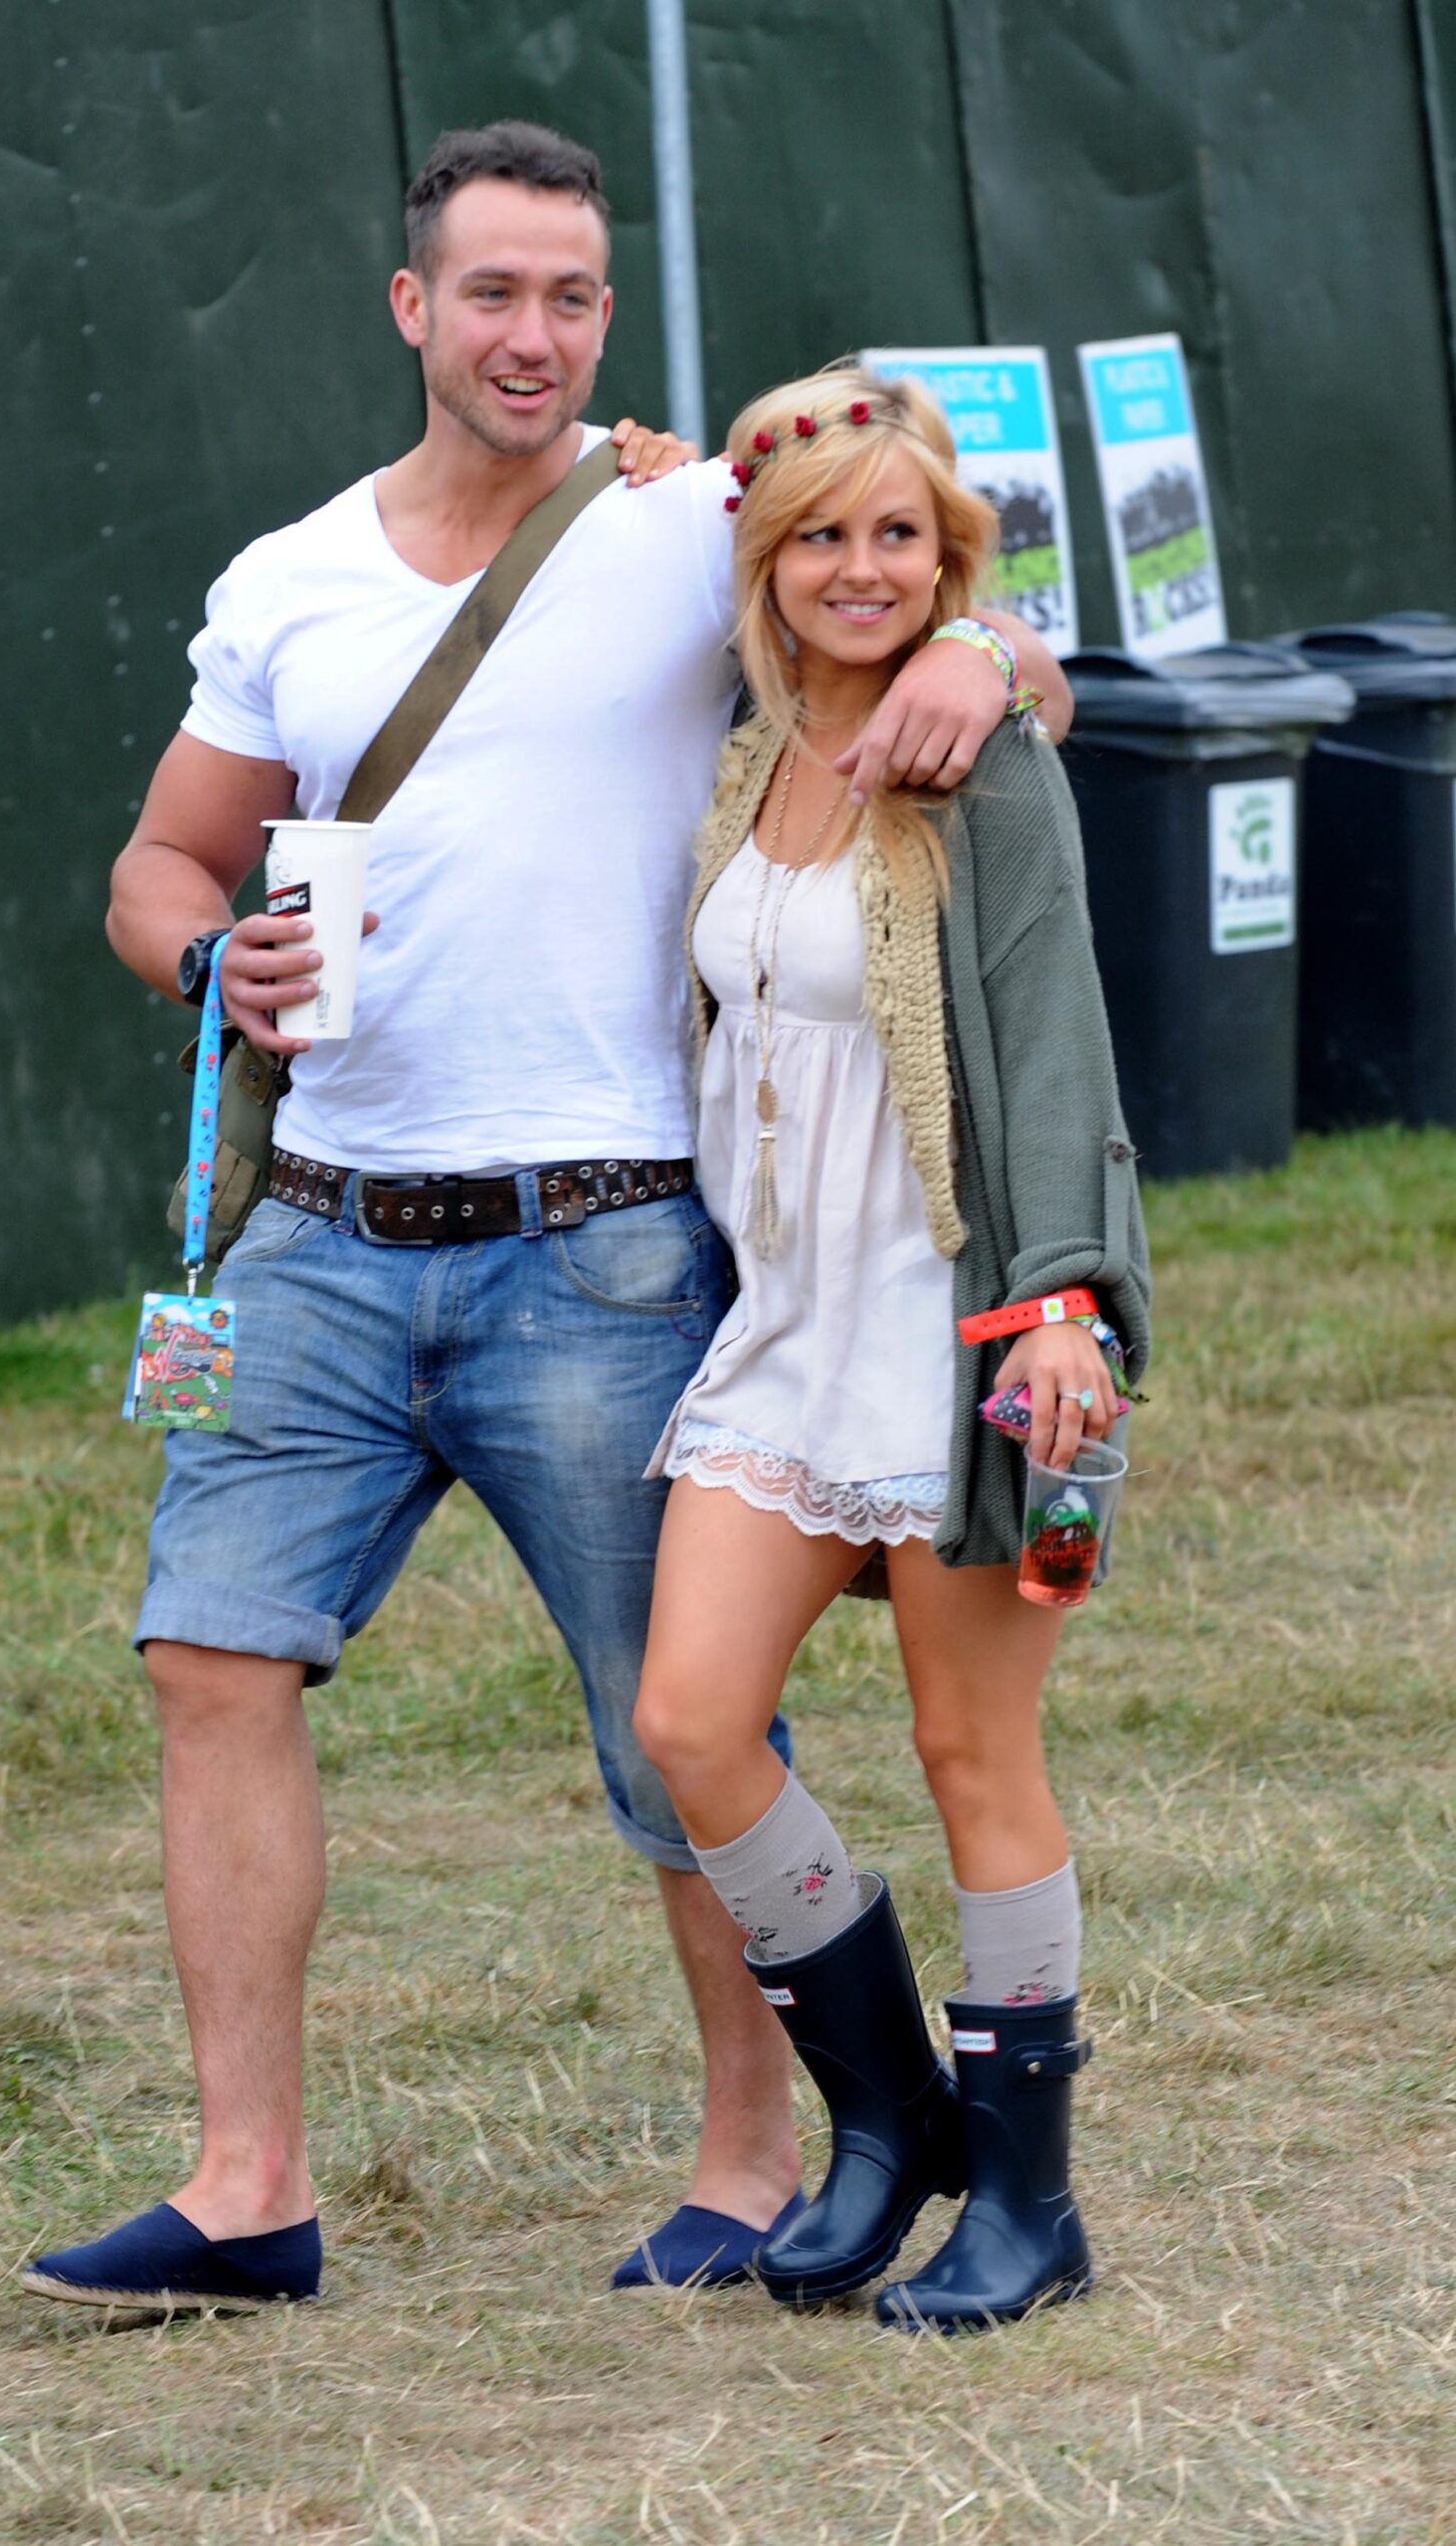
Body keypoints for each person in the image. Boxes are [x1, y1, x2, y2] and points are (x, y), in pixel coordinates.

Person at [19, 123, 1073, 2314]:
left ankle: (756, 2148)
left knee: (670, 1719)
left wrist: (991, 634)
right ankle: (245, 2186)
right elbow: (154, 866)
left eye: (569, 298)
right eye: (490, 292)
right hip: (310, 1232)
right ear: (413, 308)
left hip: (598, 1237)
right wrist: (208, 958)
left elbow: (894, 571)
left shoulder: (683, 523)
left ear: (606, 318)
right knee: (209, 1657)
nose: (530, 333)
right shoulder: (286, 579)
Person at [632, 364, 1151, 2331]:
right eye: (822, 535)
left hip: (959, 1323)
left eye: (901, 538)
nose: (862, 567)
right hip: (774, 1334)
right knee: (689, 1720)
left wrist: (1067, 1307)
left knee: (966, 1747)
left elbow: (1052, 1039)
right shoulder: (734, 760)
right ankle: (893, 2119)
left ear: (948, 561)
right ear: (766, 566)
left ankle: (1027, 2196)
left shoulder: (976, 754)